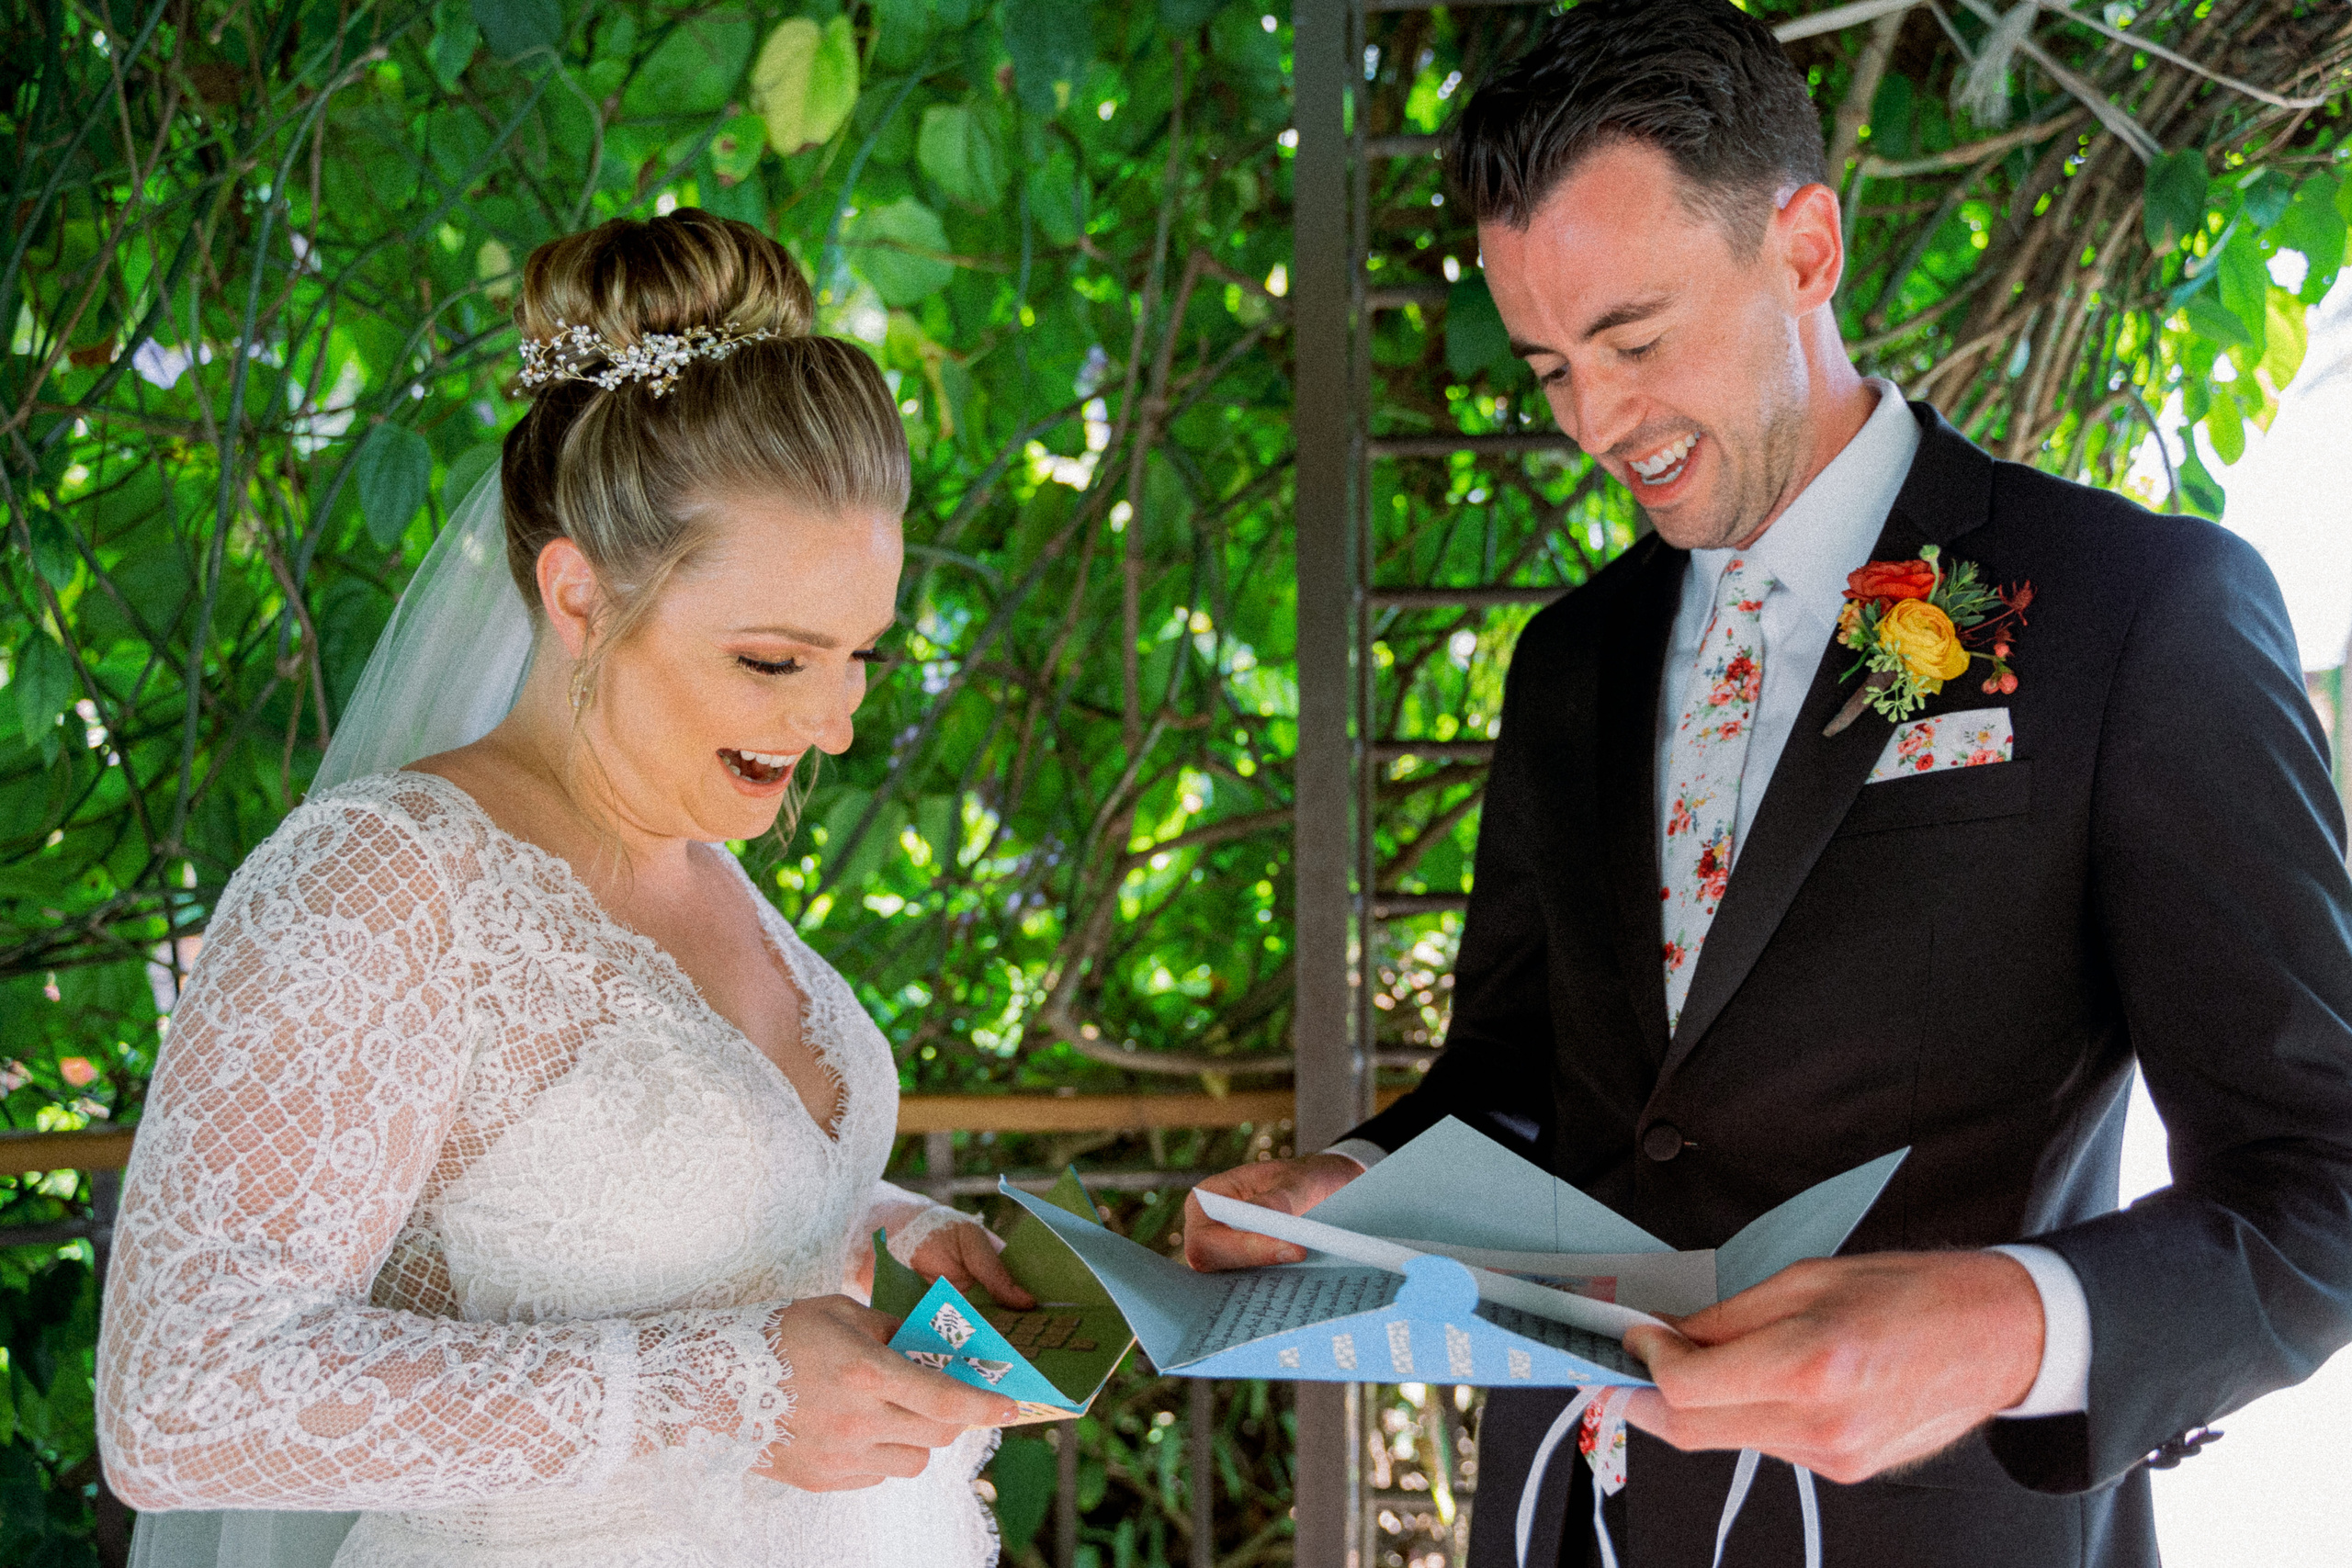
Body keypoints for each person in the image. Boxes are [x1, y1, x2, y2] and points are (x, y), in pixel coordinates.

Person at [1183, 4, 2352, 1564]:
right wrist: (1349, 1184)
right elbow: (1521, 1093)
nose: (1595, 423)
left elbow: (2320, 1178)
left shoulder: (2134, 611)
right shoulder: (1571, 663)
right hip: (1563, 1518)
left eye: (1635, 340)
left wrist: (2013, 1325)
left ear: (1805, 248)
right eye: (1549, 365)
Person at [97, 209, 1029, 1568]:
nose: (832, 726)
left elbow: (613, 1215)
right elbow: (176, 1399)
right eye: (775, 661)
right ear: (580, 595)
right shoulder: (383, 888)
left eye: (862, 659)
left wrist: (887, 1236)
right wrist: (727, 1387)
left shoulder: (700, 859)